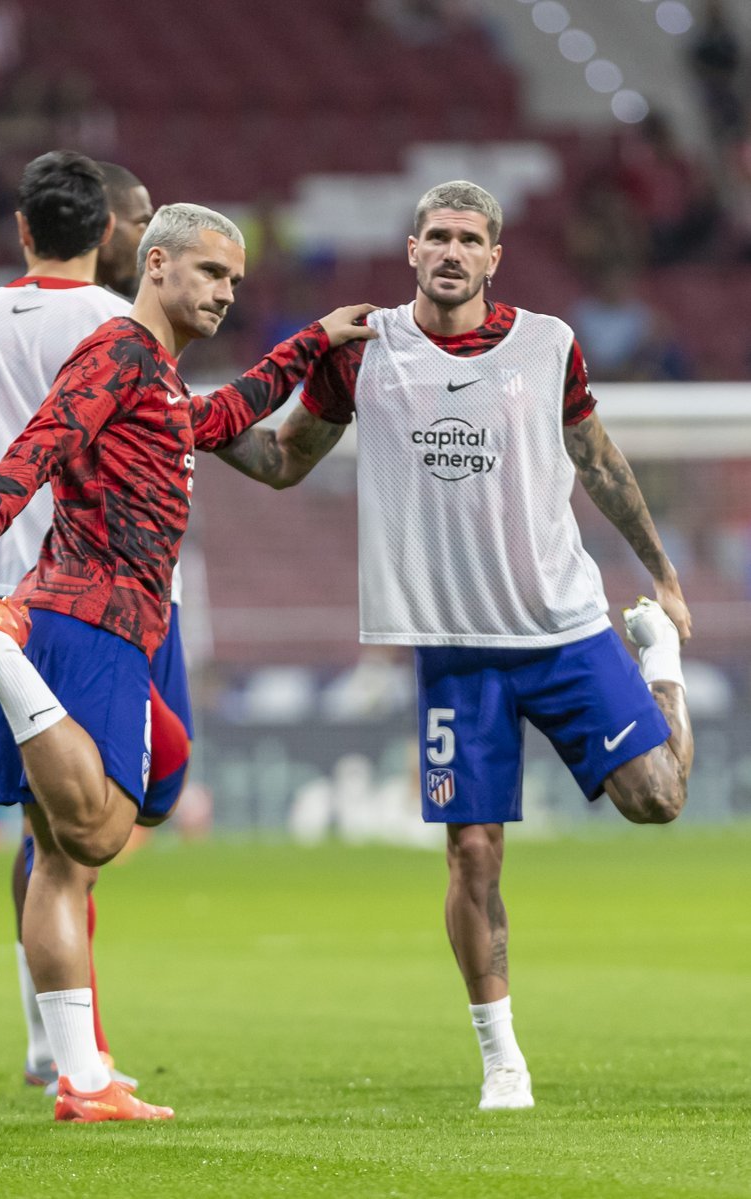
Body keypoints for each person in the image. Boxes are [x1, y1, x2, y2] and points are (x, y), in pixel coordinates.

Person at [215, 180, 694, 1111]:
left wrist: (663, 577)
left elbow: (598, 459)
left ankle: (658, 668)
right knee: (472, 853)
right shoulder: (360, 354)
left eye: (468, 238)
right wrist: (191, 424)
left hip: (562, 628)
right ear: (409, 249)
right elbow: (280, 460)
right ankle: (501, 1060)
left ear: (492, 258)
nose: (449, 250)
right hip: (450, 645)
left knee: (659, 800)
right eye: (434, 235)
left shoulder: (547, 343)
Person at [0, 200, 375, 1123]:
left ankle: (80, 1080)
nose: (224, 292)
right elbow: (42, 439)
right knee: (101, 834)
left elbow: (224, 413)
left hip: (58, 610)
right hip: (93, 613)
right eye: (208, 272)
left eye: (234, 280)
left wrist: (311, 340)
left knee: (58, 861)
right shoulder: (119, 350)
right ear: (153, 265)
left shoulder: (154, 376)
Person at [0, 150, 171, 1099]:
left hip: (7, 583)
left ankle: (43, 1040)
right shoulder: (122, 323)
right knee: (84, 839)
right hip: (105, 590)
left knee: (47, 833)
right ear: (107, 234)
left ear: (21, 229)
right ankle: (78, 1063)